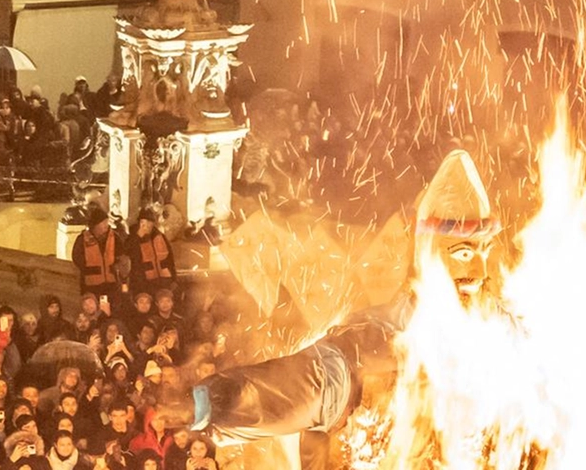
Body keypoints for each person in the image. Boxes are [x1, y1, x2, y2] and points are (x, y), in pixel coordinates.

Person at [182, 149, 503, 462]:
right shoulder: (377, 339)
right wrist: (219, 402)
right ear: (427, 256)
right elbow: (311, 384)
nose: (479, 272)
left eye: (484, 252)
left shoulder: (507, 336)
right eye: (462, 253)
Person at [71, 207, 123, 299]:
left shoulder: (114, 237)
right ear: (95, 226)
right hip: (91, 285)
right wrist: (90, 268)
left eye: (106, 222)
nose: (106, 225)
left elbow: (121, 255)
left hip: (111, 284)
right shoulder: (82, 239)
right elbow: (76, 258)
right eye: (103, 223)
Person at [127, 207, 177, 298]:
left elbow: (170, 259)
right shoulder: (133, 238)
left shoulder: (160, 237)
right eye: (142, 222)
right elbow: (129, 253)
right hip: (144, 283)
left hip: (164, 281)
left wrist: (174, 279)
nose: (146, 225)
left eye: (149, 222)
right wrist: (137, 236)